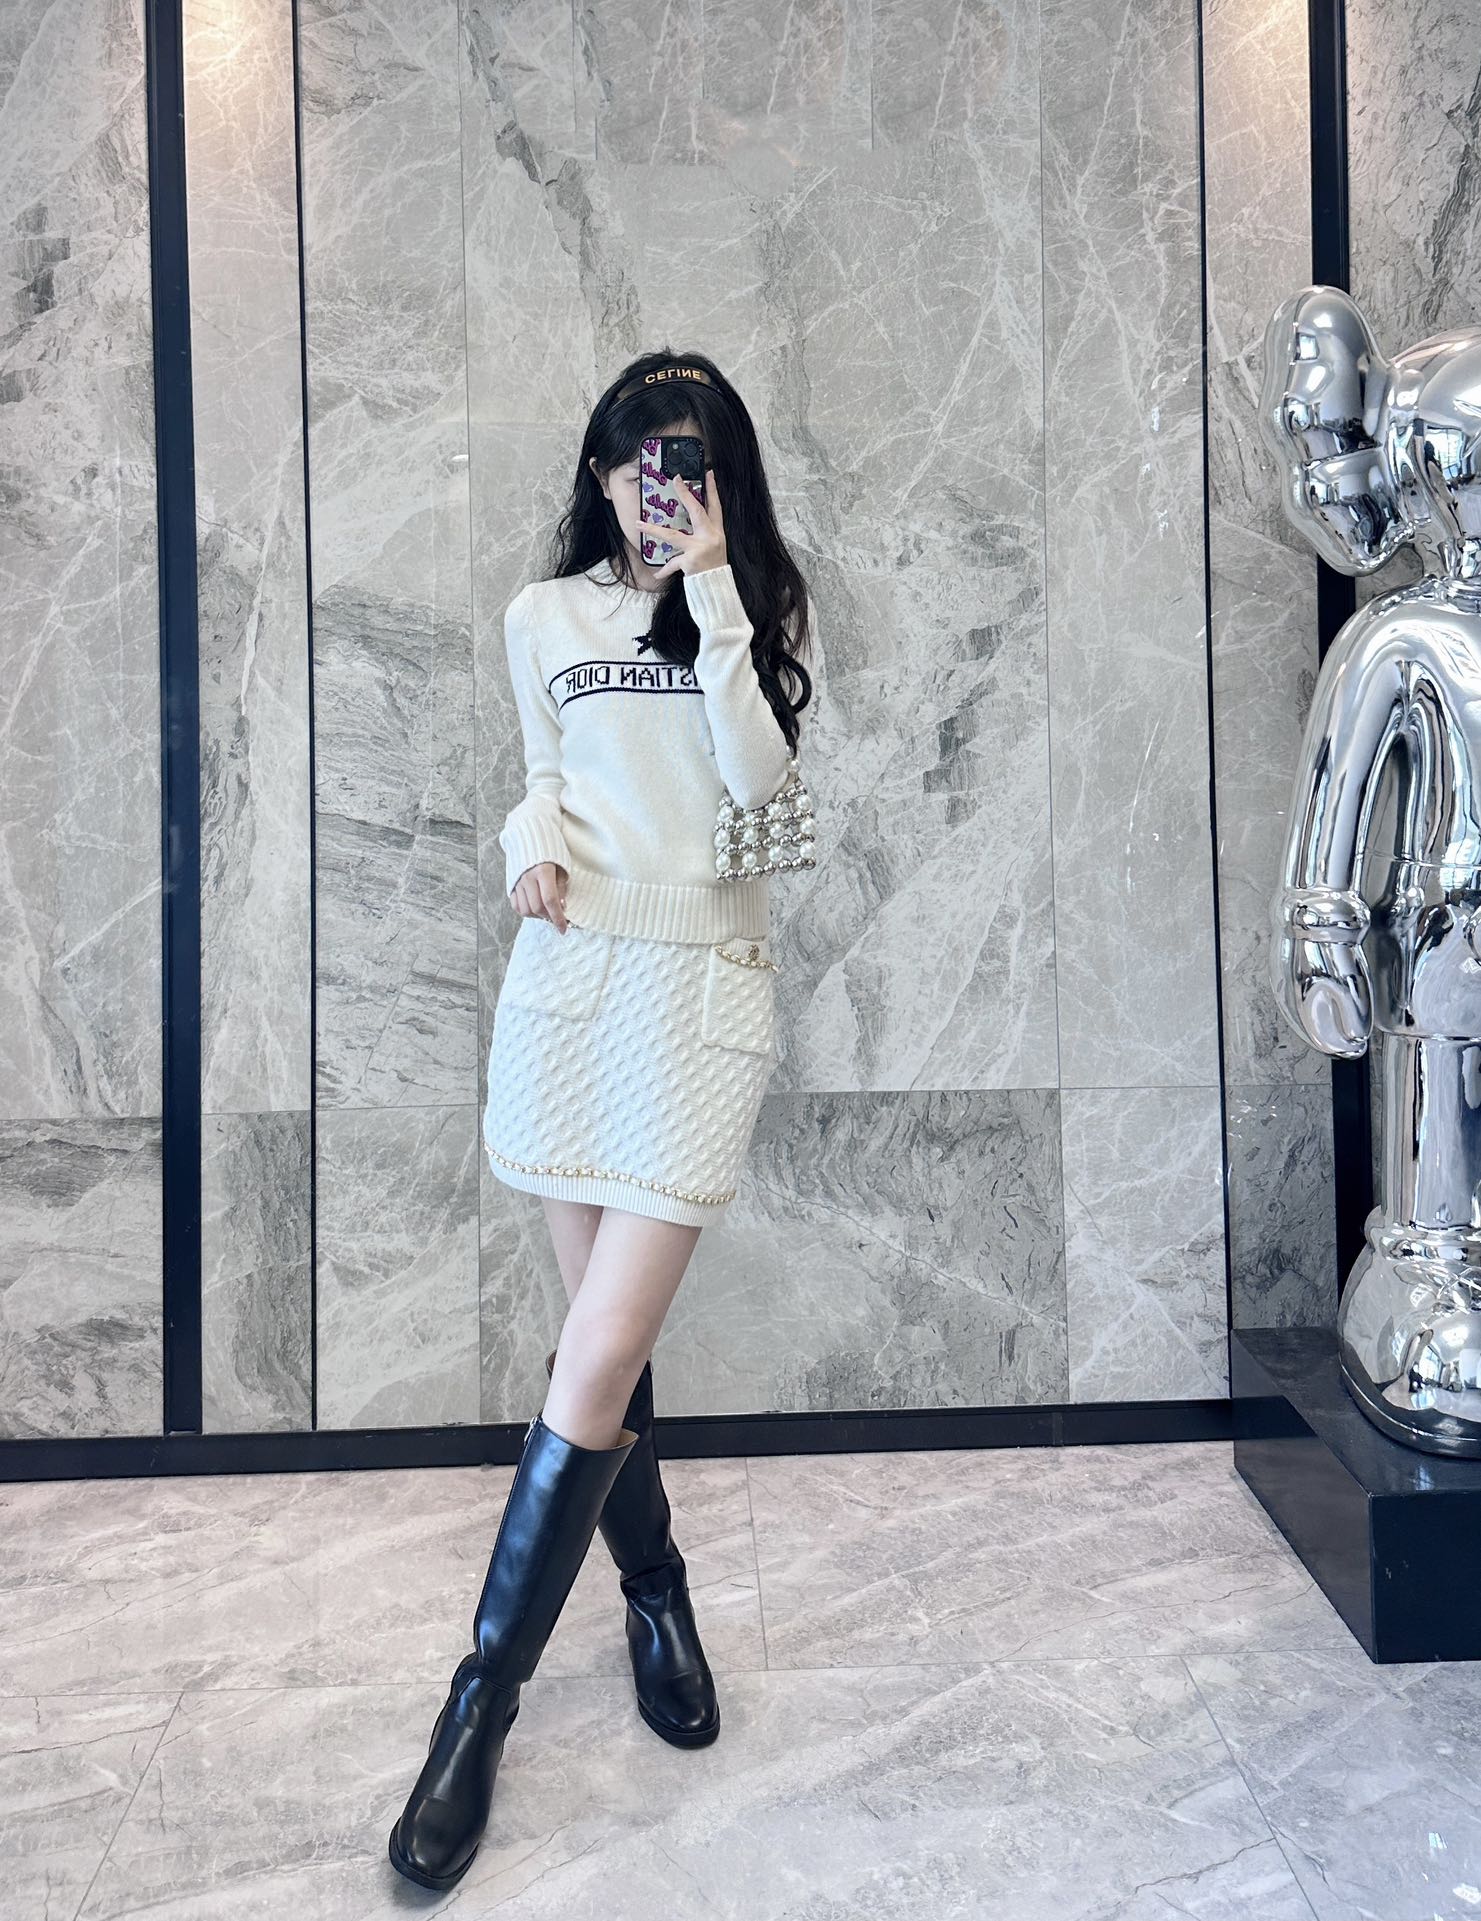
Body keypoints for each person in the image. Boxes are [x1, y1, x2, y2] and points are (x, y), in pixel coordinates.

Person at [389, 351, 818, 1892]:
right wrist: (526, 843)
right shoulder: (540, 617)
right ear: (600, 471)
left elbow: (759, 787)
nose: (659, 486)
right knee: (603, 1351)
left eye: (685, 460)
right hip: (571, 988)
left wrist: (711, 594)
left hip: (699, 992)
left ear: (718, 473)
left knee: (596, 1349)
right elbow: (544, 774)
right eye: (639, 461)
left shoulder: (752, 607)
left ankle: (478, 1703)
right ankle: (655, 1594)